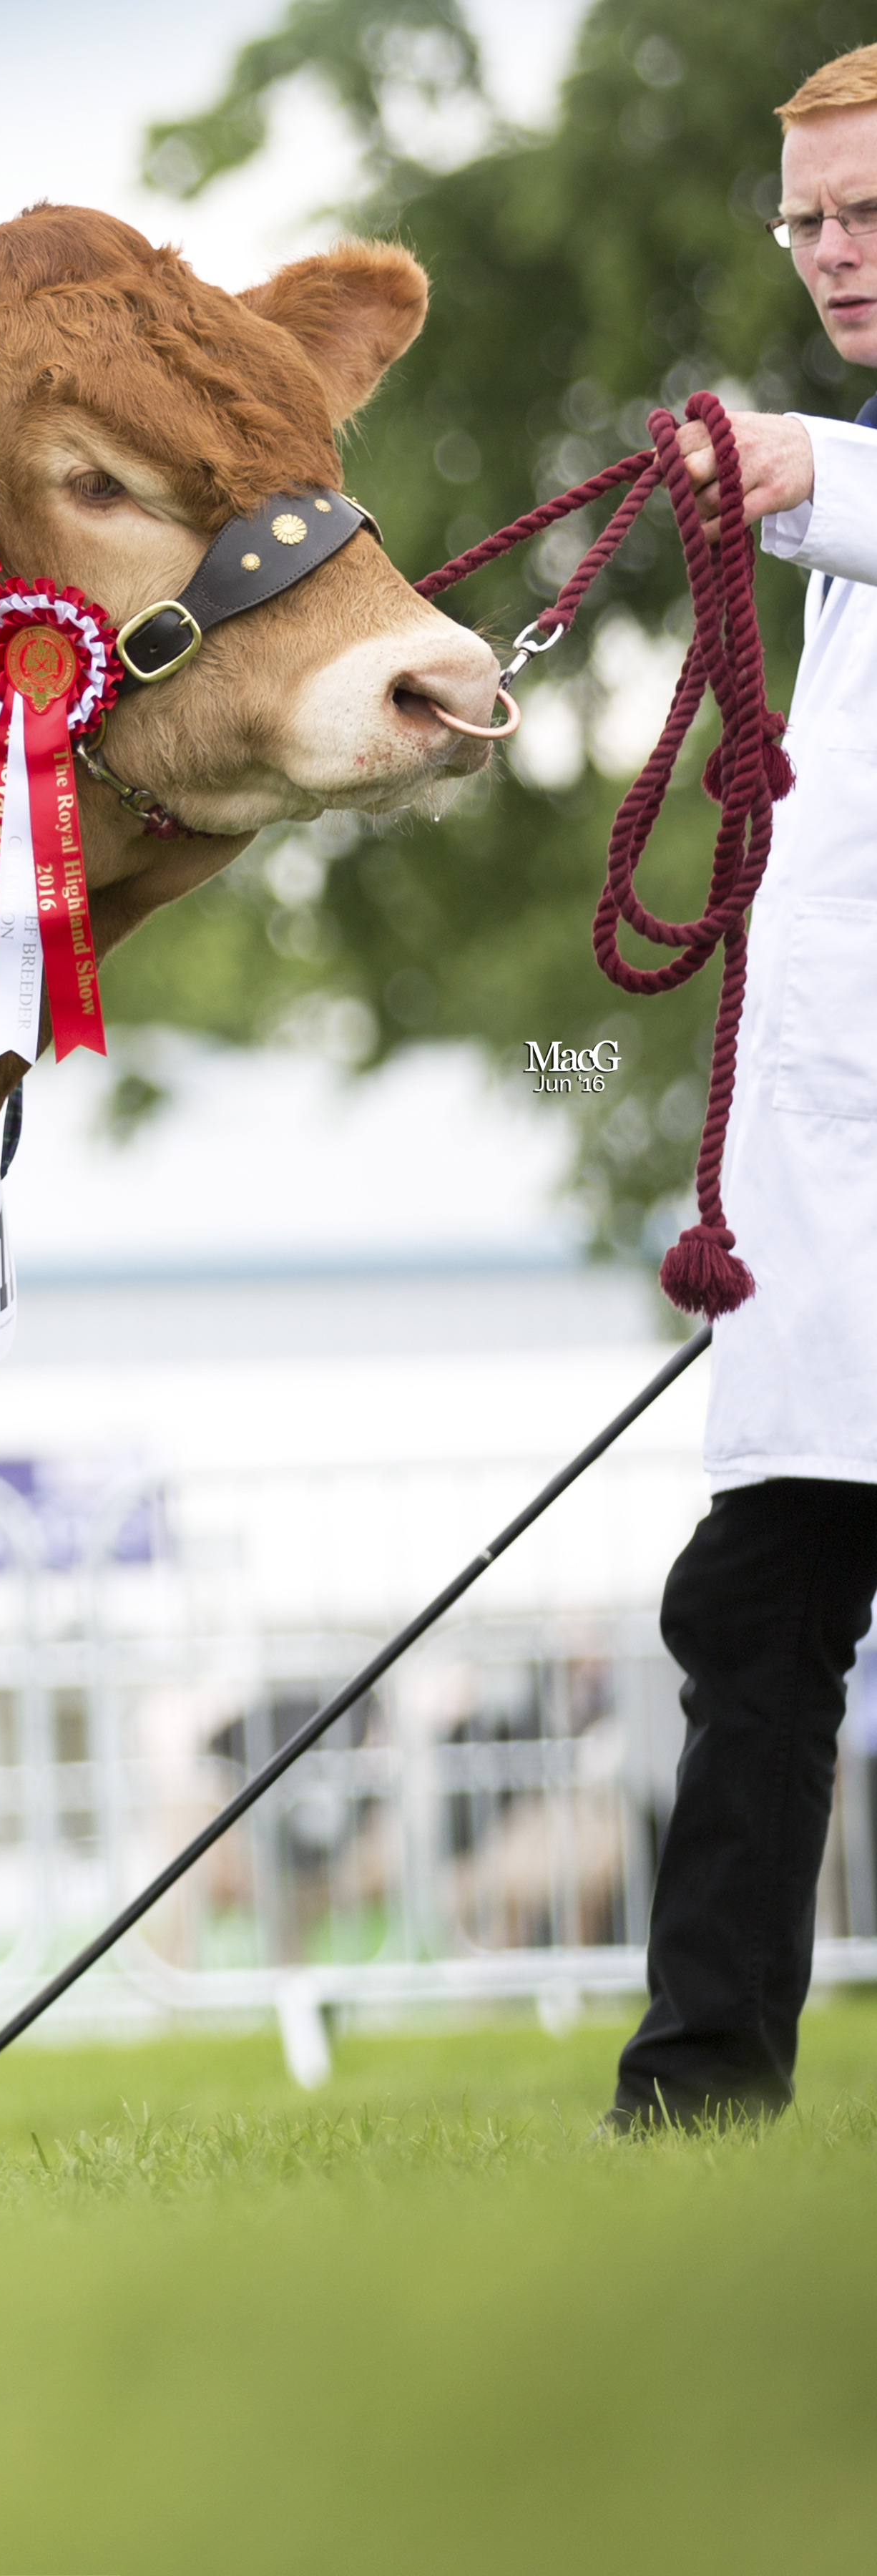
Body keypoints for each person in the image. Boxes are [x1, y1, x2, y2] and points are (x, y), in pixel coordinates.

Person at [607, 45, 877, 2127]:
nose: (837, 255)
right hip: (821, 1235)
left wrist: (809, 467)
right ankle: (697, 2106)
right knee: (754, 1628)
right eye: (810, 220)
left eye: (871, 210)